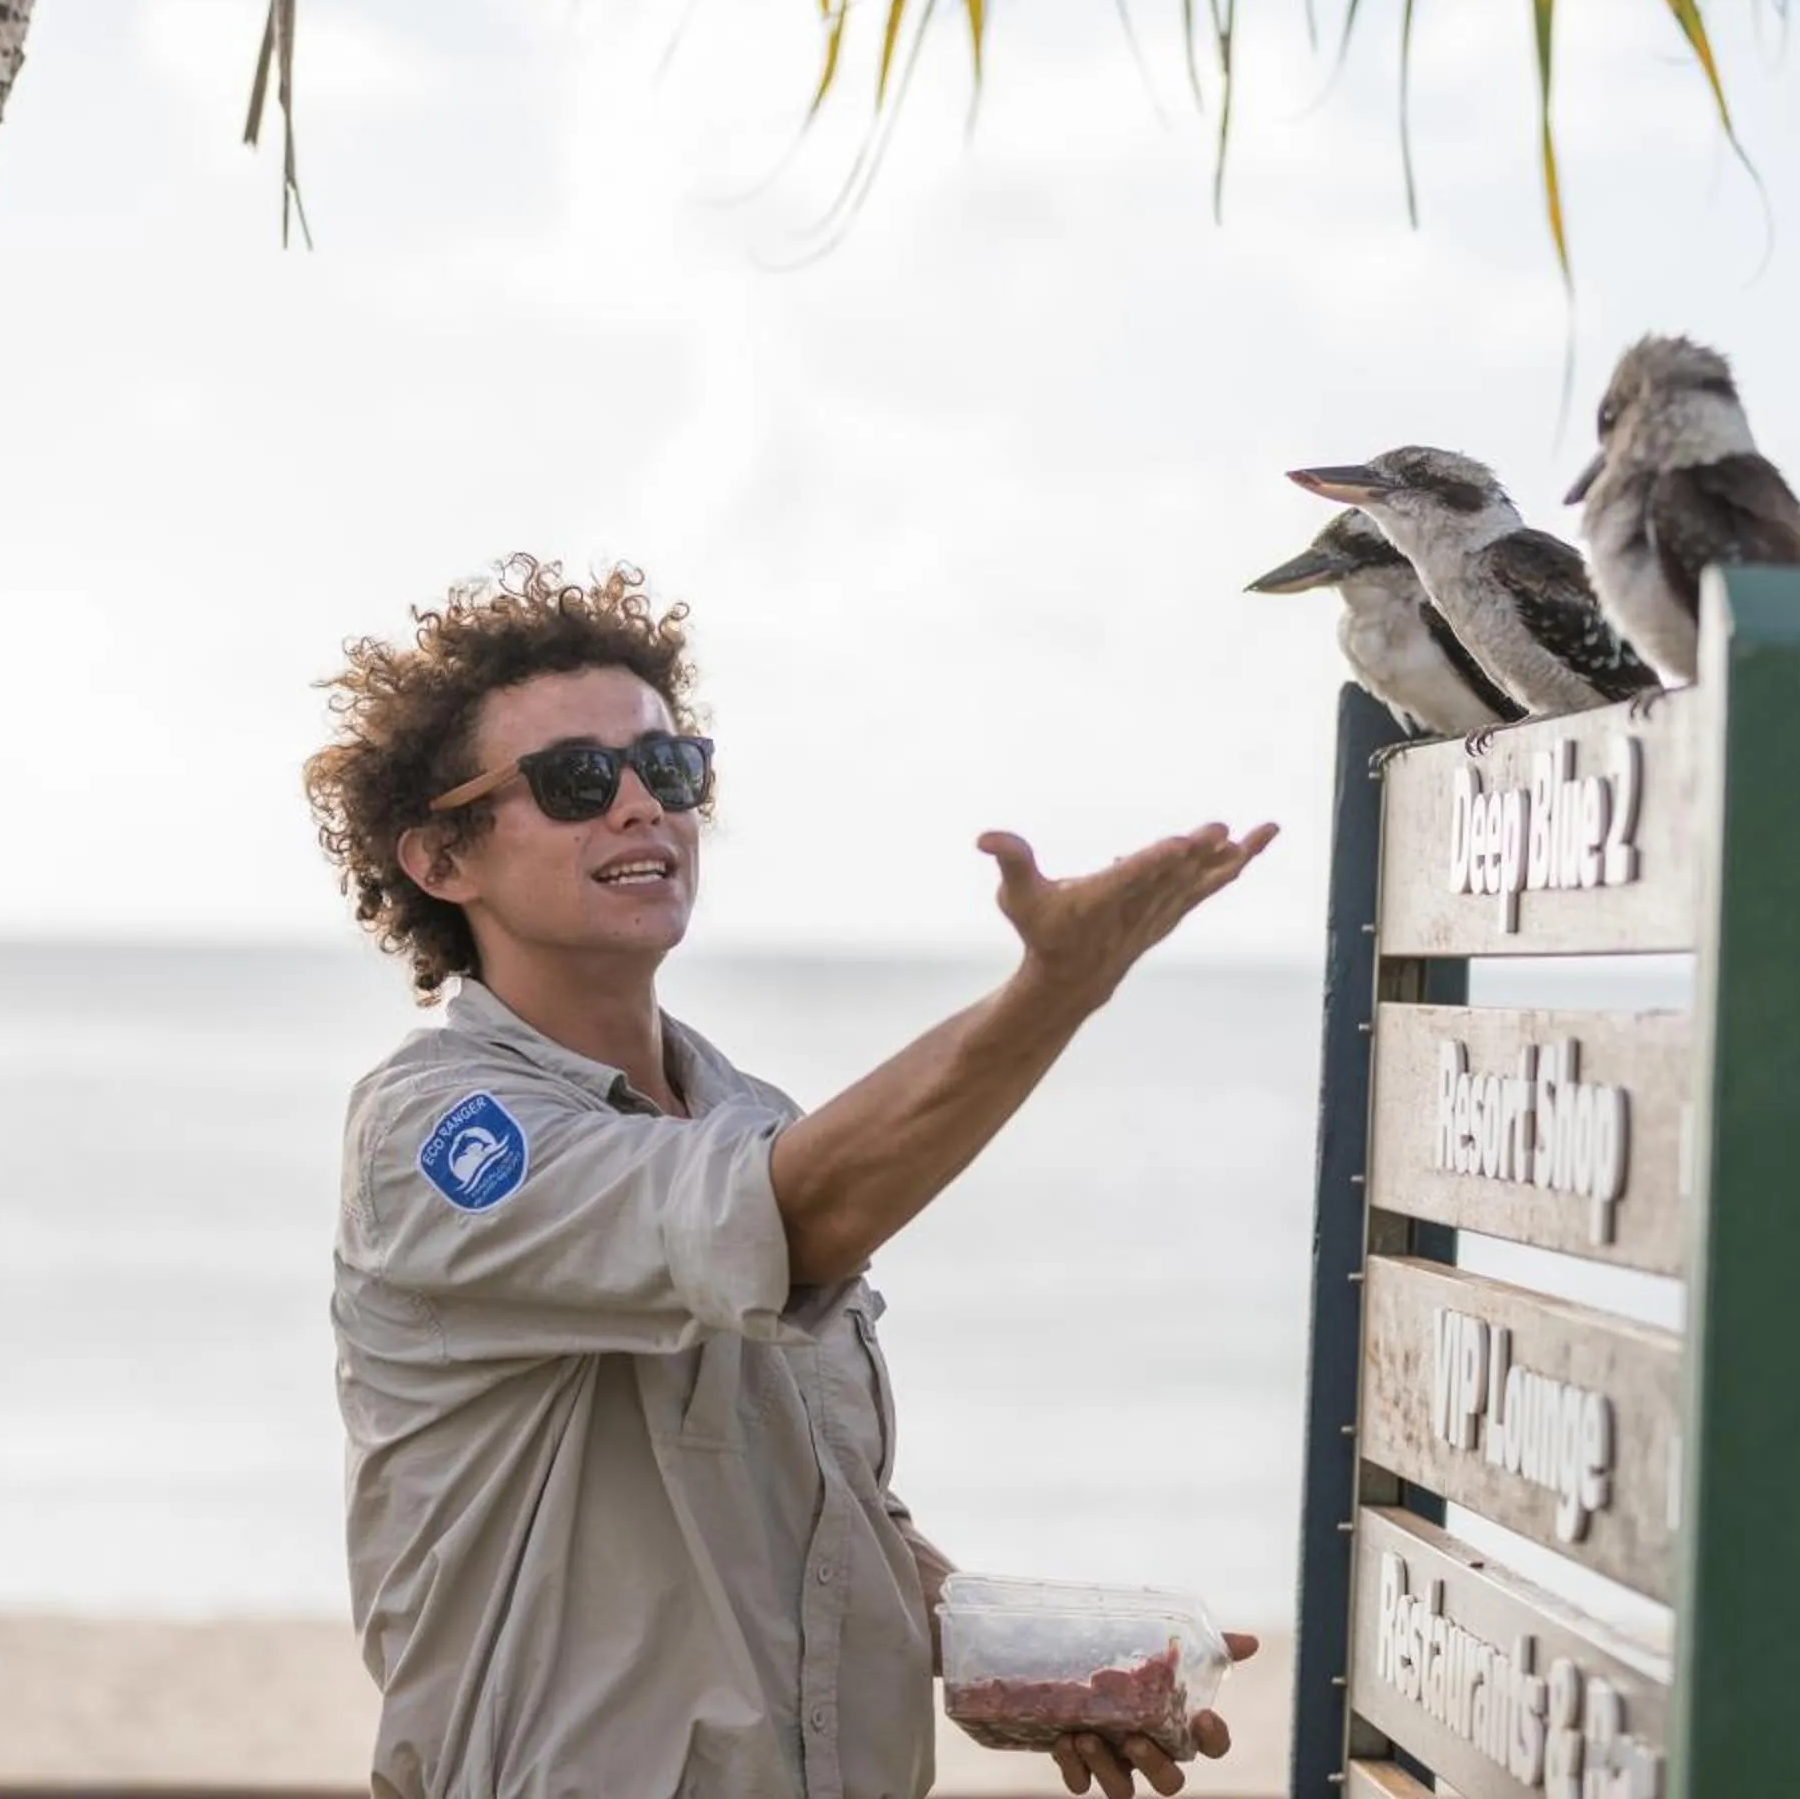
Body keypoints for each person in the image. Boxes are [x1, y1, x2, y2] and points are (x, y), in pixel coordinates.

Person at [302, 557, 1279, 1799]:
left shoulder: (743, 1116)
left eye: (670, 768)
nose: (640, 808)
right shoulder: (436, 1134)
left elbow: (816, 1500)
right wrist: (1054, 991)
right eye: (575, 780)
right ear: (442, 857)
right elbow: (795, 1217)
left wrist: (1008, 1653)